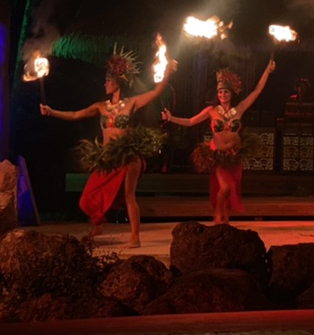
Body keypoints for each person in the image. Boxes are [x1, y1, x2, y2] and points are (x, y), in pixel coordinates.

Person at [40, 46, 176, 248]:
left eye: (108, 80)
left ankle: (135, 237)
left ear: (118, 81)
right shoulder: (100, 106)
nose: (105, 83)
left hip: (128, 157)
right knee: (86, 199)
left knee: (129, 196)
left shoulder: (132, 103)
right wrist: (52, 112)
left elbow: (156, 92)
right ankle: (98, 224)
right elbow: (75, 115)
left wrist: (167, 73)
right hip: (107, 159)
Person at [162, 60, 276, 224]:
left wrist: (267, 71)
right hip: (218, 155)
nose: (223, 95)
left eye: (226, 92)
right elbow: (190, 121)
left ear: (231, 94)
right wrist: (171, 118)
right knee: (224, 187)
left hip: (235, 155)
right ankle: (217, 215)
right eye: (220, 92)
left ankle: (226, 220)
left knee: (231, 189)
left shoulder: (240, 109)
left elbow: (257, 91)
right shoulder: (211, 111)